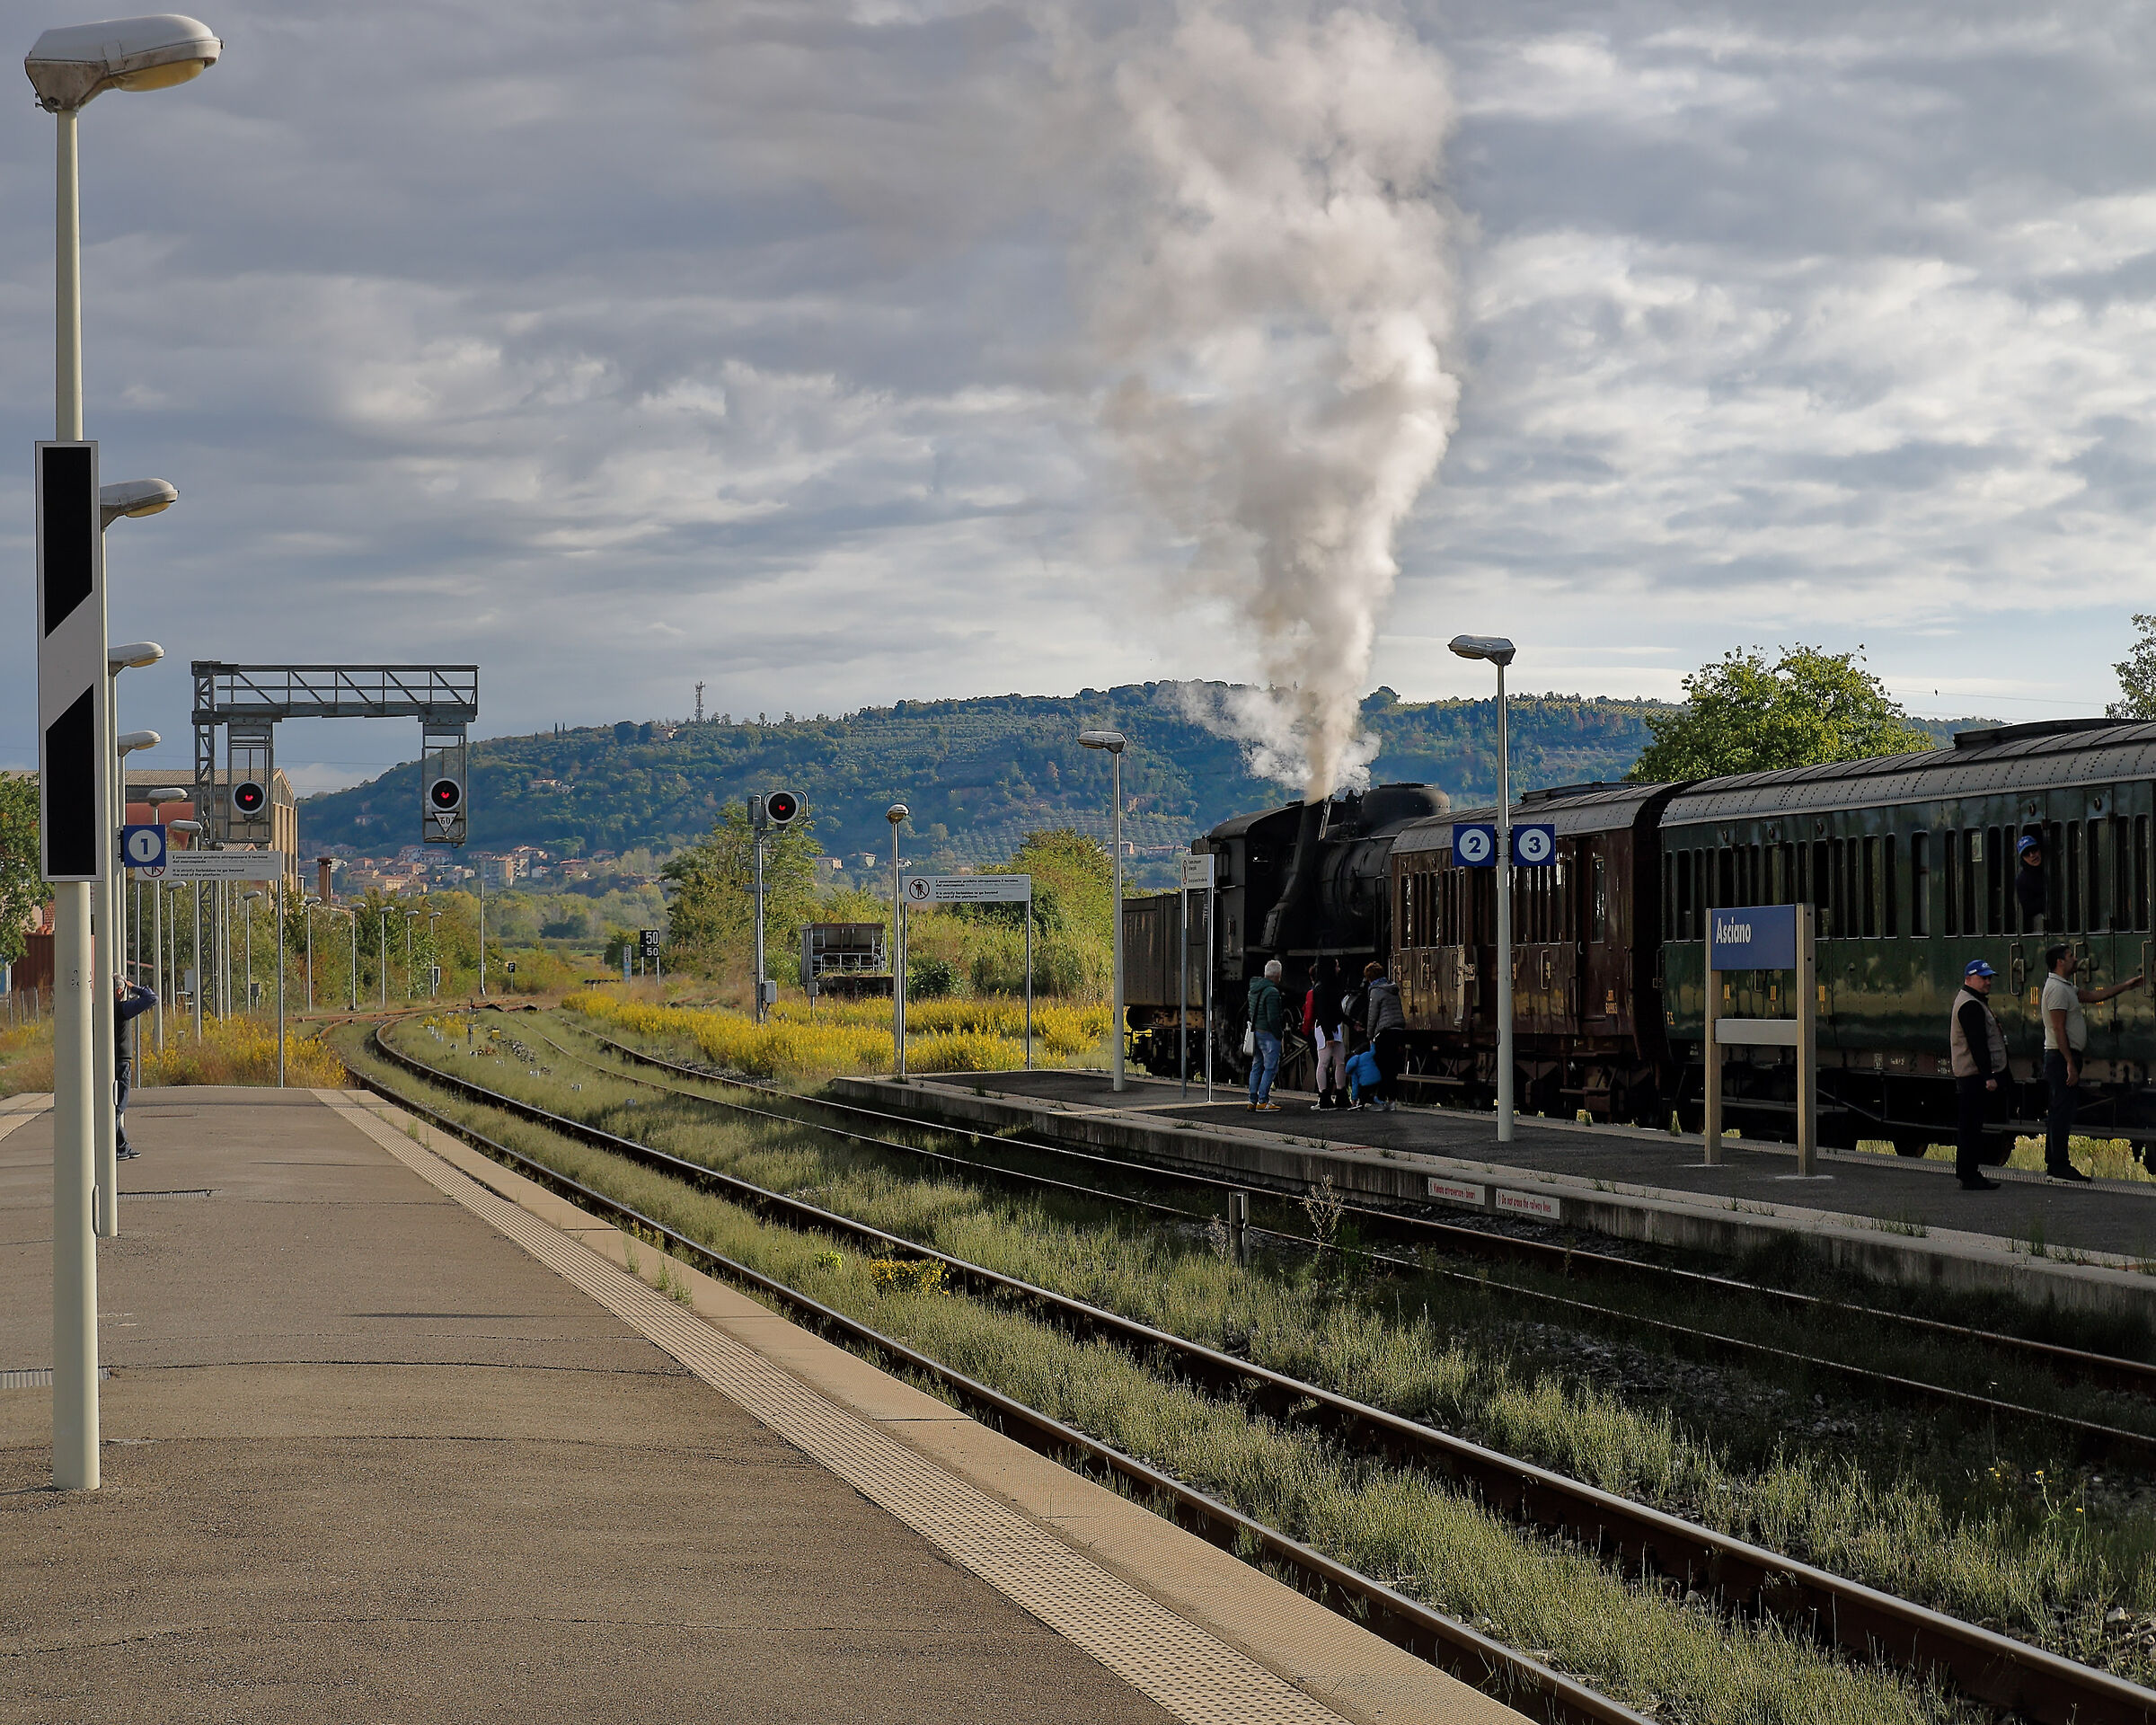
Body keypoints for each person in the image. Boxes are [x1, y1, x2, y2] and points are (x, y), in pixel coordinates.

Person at [2040, 944, 2144, 1181]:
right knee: (2061, 1112)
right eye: (2070, 956)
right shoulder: (2056, 989)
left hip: (2063, 1057)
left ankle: (2054, 1165)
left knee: (2060, 1111)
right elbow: (2058, 1029)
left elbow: (2095, 996)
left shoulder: (2066, 987)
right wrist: (2069, 1062)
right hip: (2060, 1057)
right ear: (2060, 962)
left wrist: (2127, 985)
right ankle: (2059, 1166)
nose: (2075, 959)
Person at [1948, 960, 2007, 1190]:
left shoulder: (1972, 1001)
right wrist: (1987, 1076)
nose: (1988, 982)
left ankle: (1969, 1173)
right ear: (1969, 979)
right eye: (1983, 978)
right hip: (1972, 1075)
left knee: (1971, 1126)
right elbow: (1977, 1044)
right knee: (1971, 1127)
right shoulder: (1970, 1005)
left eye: (1989, 977)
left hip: (1971, 1074)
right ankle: (1969, 1175)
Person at [111, 974, 156, 1160]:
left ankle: (122, 1146)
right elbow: (151, 998)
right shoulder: (122, 1009)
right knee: (118, 1106)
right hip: (121, 1062)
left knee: (110, 1105)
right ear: (119, 991)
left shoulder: (98, 1009)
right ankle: (114, 1146)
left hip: (104, 1061)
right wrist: (134, 987)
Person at [1362, 960, 1407, 1112]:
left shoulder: (1375, 991)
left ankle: (1380, 1100)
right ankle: (1392, 1101)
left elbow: (1372, 1015)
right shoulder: (1392, 989)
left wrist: (1369, 1035)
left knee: (1382, 1067)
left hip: (1385, 1032)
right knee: (1391, 1068)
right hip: (1398, 1030)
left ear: (1370, 978)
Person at [1246, 959, 1286, 1113]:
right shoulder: (1272, 992)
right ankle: (1263, 1101)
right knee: (1270, 1067)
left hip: (1256, 1031)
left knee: (1257, 1066)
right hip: (1268, 1034)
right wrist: (1279, 1034)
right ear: (1277, 975)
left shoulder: (1254, 989)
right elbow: (1273, 1018)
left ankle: (1252, 1100)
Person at [1308, 959, 1347, 1110]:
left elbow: (1336, 1012)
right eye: (1336, 965)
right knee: (1324, 1062)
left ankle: (1339, 1093)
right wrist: (1328, 1035)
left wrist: (1352, 1023)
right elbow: (1322, 1013)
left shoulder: (1328, 987)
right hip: (1327, 1029)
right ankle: (1324, 1096)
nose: (1339, 968)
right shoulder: (1321, 989)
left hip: (1333, 1027)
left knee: (1340, 1061)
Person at [2015, 836, 2047, 932]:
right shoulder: (2022, 880)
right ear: (2023, 858)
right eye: (2026, 854)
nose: (2032, 855)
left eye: (2033, 850)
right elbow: (2028, 908)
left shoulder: (2052, 868)